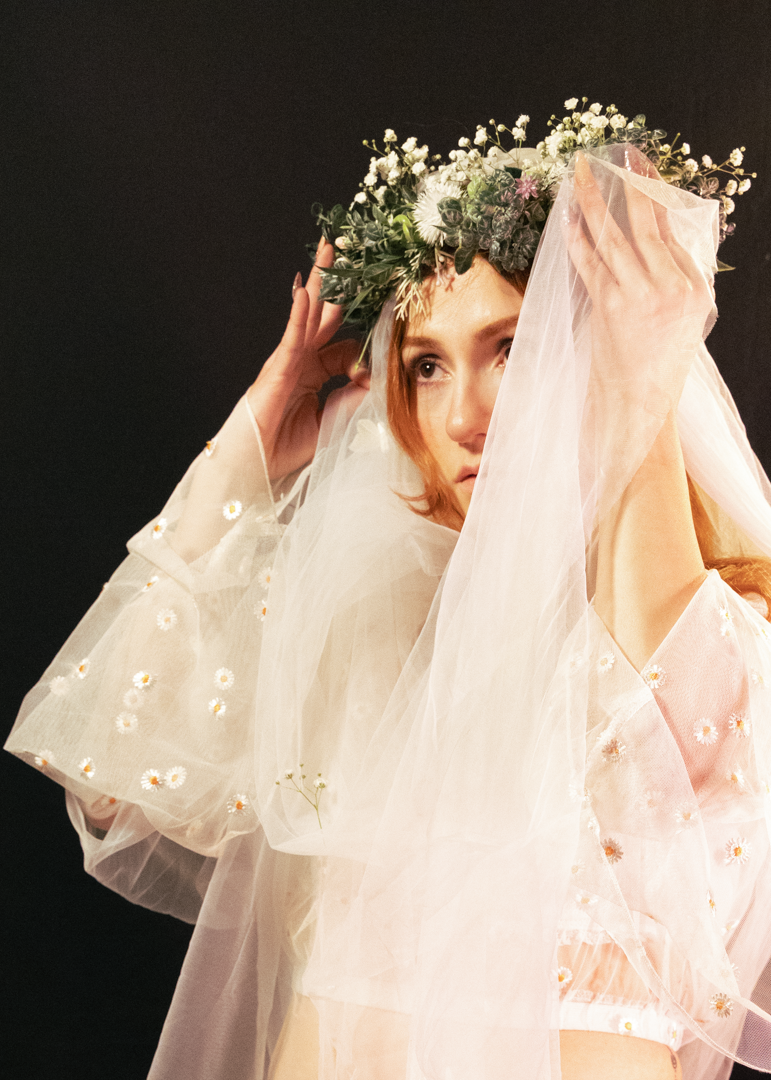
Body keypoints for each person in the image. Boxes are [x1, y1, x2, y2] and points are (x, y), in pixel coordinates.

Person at [6, 104, 771, 1080]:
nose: (463, 416)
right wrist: (243, 455)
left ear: (608, 348)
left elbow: (661, 716)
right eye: (426, 365)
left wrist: (644, 388)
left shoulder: (725, 634)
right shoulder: (377, 626)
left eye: (514, 347)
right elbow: (111, 783)